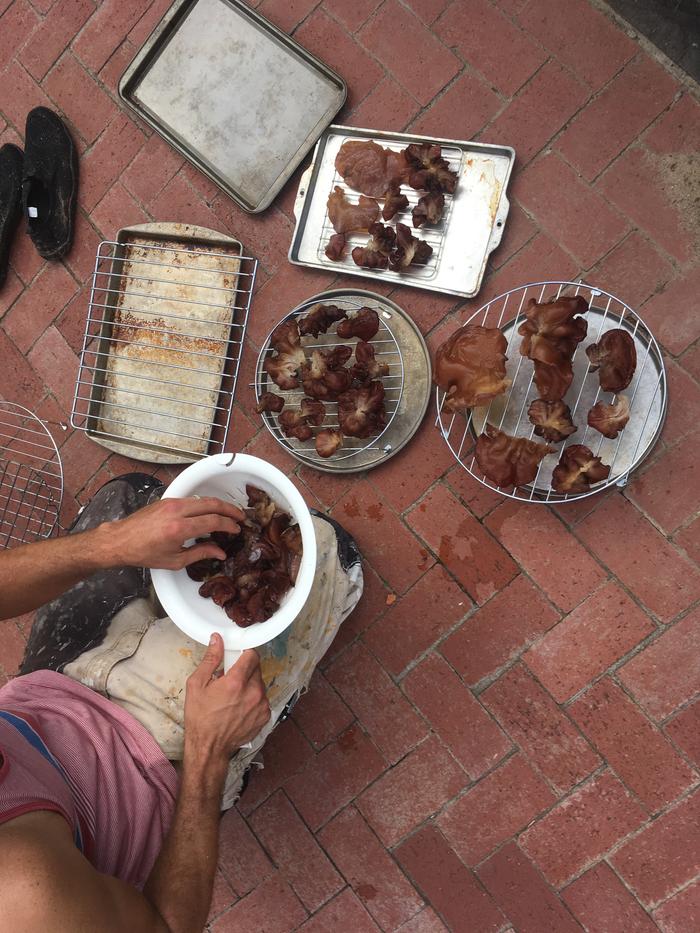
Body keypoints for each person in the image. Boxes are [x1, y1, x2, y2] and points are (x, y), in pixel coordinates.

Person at [0, 473, 362, 932]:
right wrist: (209, 750)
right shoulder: (24, 896)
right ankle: (228, 768)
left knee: (126, 499)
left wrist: (110, 544)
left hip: (43, 701)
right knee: (322, 549)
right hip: (145, 770)